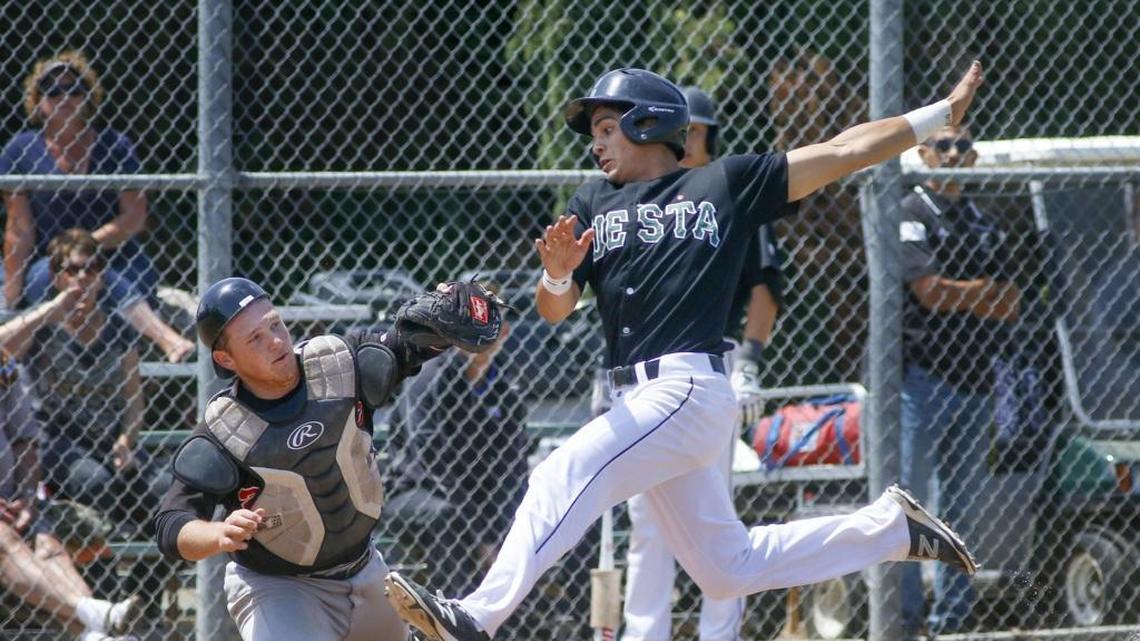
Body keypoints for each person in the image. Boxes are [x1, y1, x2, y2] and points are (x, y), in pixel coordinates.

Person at [384, 62, 986, 641]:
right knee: (727, 568)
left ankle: (476, 616)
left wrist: (940, 115)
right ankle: (891, 530)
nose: (595, 143)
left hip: (685, 388)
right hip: (638, 401)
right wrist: (559, 275)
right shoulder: (592, 201)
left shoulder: (724, 183)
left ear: (647, 121)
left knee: (559, 474)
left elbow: (844, 150)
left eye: (606, 127)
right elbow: (553, 308)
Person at [150, 276, 482, 641]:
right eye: (255, 338)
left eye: (275, 324)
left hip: (366, 570)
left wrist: (448, 315)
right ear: (226, 359)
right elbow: (172, 525)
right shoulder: (226, 430)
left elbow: (410, 343)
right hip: (280, 589)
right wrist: (218, 533)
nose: (276, 341)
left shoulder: (337, 366)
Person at [618, 86, 784, 641]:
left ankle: (720, 634)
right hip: (645, 368)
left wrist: (752, 360)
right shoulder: (637, 195)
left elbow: (765, 288)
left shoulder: (730, 193)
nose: (686, 140)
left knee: (718, 516)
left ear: (709, 136)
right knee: (645, 516)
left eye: (696, 131)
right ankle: (645, 635)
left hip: (713, 362)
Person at [898, 124, 1020, 638]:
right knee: (907, 507)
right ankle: (904, 620)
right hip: (922, 380)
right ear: (924, 154)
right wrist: (981, 292)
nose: (952, 153)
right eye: (943, 145)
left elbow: (1011, 303)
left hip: (975, 382)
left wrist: (962, 294)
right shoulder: (911, 211)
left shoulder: (983, 221)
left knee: (961, 509)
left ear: (973, 157)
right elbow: (928, 291)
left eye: (962, 146)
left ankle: (951, 623)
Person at [0, 49, 193, 363]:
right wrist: (11, 296)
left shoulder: (114, 145)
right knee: (52, 280)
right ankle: (165, 338)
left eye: (73, 89)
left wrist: (86, 249)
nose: (64, 96)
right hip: (50, 261)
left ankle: (141, 356)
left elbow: (133, 217)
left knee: (107, 274)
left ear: (88, 97)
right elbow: (19, 231)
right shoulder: (19, 150)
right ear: (36, 100)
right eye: (52, 90)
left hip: (115, 254)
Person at [0, 229, 169, 533]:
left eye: (92, 268)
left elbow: (134, 402)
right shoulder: (41, 324)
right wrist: (51, 310)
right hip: (56, 441)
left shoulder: (119, 327)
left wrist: (125, 441)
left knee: (165, 489)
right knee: (95, 481)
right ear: (56, 277)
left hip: (109, 441)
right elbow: (3, 350)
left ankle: (147, 559)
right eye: (73, 269)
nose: (82, 278)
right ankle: (110, 547)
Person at [384, 302, 528, 598]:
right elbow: (433, 463)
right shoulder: (429, 376)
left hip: (475, 497)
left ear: (504, 332)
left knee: (525, 511)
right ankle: (453, 607)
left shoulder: (505, 386)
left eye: (491, 326)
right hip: (413, 489)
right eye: (473, 326)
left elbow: (513, 466)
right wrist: (482, 534)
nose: (481, 336)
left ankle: (520, 611)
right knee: (449, 516)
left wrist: (499, 523)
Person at [0, 351, 140, 641]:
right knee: (4, 540)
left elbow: (25, 442)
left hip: (13, 503)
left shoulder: (5, 366)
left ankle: (96, 634)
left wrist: (28, 498)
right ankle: (100, 616)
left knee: (49, 547)